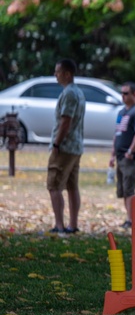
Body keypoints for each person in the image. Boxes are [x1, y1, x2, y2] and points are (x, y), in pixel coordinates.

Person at [47, 58, 86, 234]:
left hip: (65, 147)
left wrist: (56, 143)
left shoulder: (69, 93)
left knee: (54, 185)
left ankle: (59, 225)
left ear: (67, 74)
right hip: (76, 147)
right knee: (72, 186)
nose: (55, 75)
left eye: (58, 72)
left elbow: (66, 122)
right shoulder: (79, 92)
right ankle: (73, 224)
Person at [109, 81, 135, 229]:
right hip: (120, 156)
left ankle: (131, 220)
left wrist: (131, 151)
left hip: (130, 157)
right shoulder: (122, 112)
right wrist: (112, 155)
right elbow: (117, 133)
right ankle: (128, 218)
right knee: (123, 189)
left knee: (129, 189)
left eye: (125, 93)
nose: (122, 96)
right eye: (121, 93)